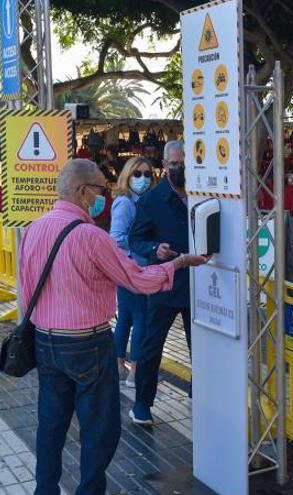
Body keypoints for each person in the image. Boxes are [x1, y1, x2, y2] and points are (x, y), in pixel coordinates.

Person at [19, 159, 208, 495]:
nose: (103, 197)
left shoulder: (34, 229)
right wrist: (179, 263)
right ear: (82, 191)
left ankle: (44, 490)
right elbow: (136, 279)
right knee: (100, 428)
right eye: (99, 189)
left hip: (45, 342)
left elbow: (26, 286)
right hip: (87, 344)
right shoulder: (91, 237)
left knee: (51, 424)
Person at [129, 140, 193, 425]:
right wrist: (155, 249)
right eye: (175, 164)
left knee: (201, 347)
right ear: (165, 166)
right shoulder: (151, 200)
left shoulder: (204, 193)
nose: (180, 168)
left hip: (200, 285)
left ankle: (201, 393)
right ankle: (142, 404)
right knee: (151, 346)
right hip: (164, 282)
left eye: (184, 163)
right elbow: (136, 240)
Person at [110, 156, 157, 387]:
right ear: (127, 176)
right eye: (137, 174)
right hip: (133, 268)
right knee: (140, 318)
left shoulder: (141, 201)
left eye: (148, 174)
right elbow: (116, 238)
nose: (143, 179)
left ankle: (118, 366)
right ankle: (135, 370)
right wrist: (142, 247)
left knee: (127, 317)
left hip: (130, 268)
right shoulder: (126, 203)